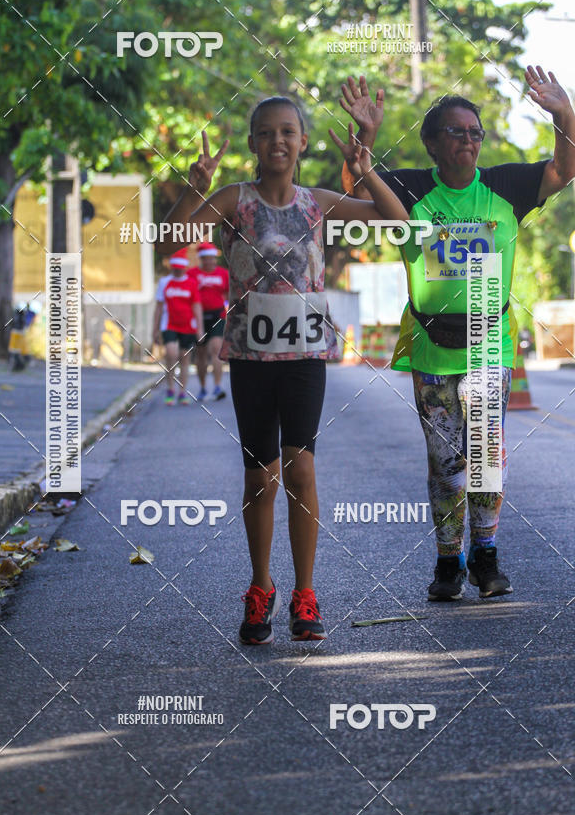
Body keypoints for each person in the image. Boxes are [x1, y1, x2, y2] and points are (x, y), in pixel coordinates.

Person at [165, 93, 409, 643]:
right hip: (251, 359)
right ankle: (260, 588)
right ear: (253, 144)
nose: (278, 141)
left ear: (301, 142)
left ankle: (305, 592)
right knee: (260, 477)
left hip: (304, 358)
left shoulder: (317, 202)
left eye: (288, 132)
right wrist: (194, 188)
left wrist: (367, 169)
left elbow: (397, 223)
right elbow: (168, 243)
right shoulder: (234, 200)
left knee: (301, 471)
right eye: (266, 132)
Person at [340, 65, 575, 600]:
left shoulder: (506, 186)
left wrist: (563, 114)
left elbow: (565, 168)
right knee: (447, 464)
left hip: (489, 344)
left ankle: (486, 558)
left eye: (476, 132)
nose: (468, 140)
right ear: (431, 143)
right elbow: (359, 193)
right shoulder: (410, 187)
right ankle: (449, 560)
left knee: (487, 456)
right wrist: (363, 147)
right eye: (456, 131)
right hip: (431, 346)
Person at [153, 250, 203, 406]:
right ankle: (170, 388)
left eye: (180, 268)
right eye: (175, 268)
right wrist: (154, 329)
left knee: (184, 357)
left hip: (188, 326)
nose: (177, 271)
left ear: (184, 268)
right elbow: (159, 308)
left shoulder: (191, 283)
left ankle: (182, 391)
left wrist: (200, 329)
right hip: (169, 324)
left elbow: (196, 307)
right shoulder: (164, 282)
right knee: (171, 353)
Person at [190, 242, 229, 401]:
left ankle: (218, 386)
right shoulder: (192, 274)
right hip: (198, 317)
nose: (209, 262)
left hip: (217, 315)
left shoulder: (223, 274)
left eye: (212, 258)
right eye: (206, 259)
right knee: (201, 354)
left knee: (216, 349)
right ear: (201, 259)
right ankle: (203, 387)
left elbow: (228, 294)